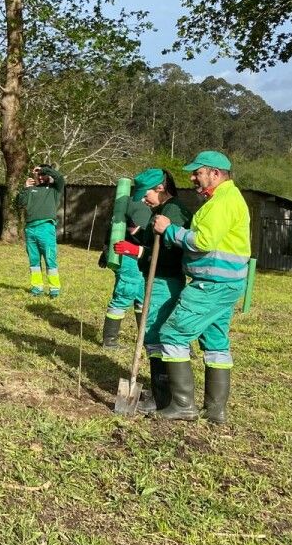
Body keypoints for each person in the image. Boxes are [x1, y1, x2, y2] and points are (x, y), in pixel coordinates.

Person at [148, 151, 251, 423]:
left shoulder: (223, 202)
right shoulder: (224, 199)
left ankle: (183, 405)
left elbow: (202, 241)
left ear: (215, 174)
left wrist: (169, 229)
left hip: (212, 284)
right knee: (215, 343)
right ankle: (215, 411)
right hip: (226, 284)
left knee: (172, 334)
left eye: (198, 172)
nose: (193, 177)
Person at [110, 169, 192, 414]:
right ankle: (160, 393)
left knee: (155, 336)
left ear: (159, 187)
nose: (142, 200)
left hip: (164, 282)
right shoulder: (161, 210)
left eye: (145, 193)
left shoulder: (173, 211)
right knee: (153, 335)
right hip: (157, 279)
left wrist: (137, 252)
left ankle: (162, 397)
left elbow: (170, 255)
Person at [100, 183, 149, 347]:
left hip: (132, 256)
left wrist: (105, 253)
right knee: (125, 294)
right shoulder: (140, 205)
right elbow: (133, 229)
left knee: (142, 296)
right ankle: (110, 339)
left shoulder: (125, 202)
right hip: (128, 257)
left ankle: (145, 336)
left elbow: (111, 231)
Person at [16, 163, 65, 298]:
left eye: (44, 174)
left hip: (46, 228)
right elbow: (20, 203)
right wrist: (25, 188)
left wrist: (43, 170)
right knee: (34, 260)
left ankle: (54, 289)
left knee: (50, 259)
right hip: (30, 228)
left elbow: (60, 177)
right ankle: (36, 287)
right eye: (39, 174)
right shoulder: (31, 190)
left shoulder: (55, 189)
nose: (41, 177)